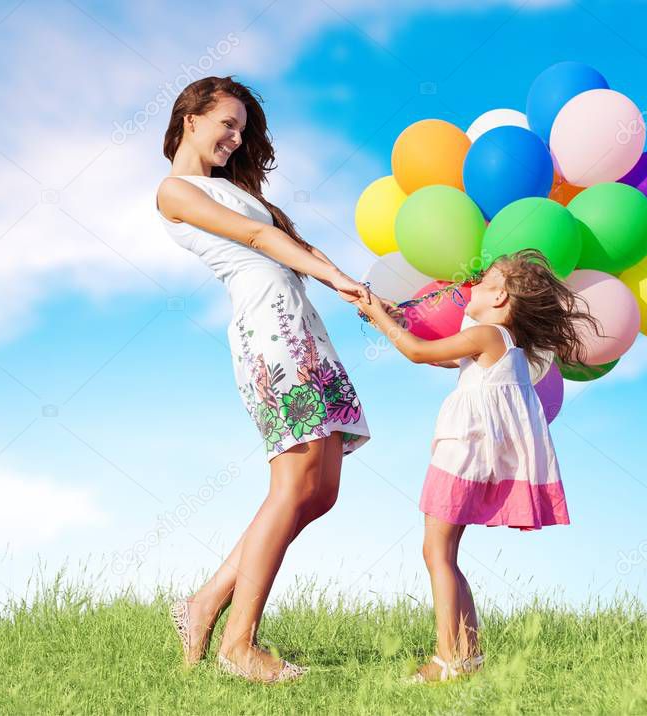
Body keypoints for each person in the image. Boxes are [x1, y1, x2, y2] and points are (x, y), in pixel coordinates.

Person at [156, 76, 372, 683]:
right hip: (270, 330)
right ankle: (238, 644)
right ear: (190, 119)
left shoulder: (234, 188)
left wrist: (354, 288)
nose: (235, 137)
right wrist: (335, 280)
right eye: (227, 122)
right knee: (293, 482)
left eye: (243, 129)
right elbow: (256, 238)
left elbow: (287, 241)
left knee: (320, 489)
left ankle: (203, 605)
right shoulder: (174, 191)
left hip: (301, 324)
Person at [355, 248, 599, 682]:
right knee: (443, 552)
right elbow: (443, 355)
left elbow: (416, 353)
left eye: (484, 281)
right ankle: (467, 654)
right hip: (471, 455)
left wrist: (379, 317)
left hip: (462, 454)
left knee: (437, 552)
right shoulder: (499, 342)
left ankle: (447, 658)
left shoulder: (489, 335)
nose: (472, 284)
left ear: (501, 298)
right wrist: (398, 318)